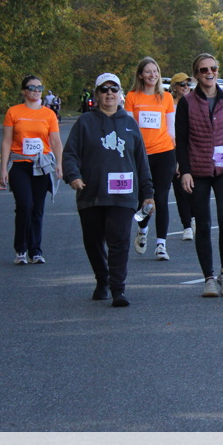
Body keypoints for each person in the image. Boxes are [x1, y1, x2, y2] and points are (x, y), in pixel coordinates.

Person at [63, 73, 153, 307]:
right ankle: (102, 278)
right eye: (104, 90)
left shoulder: (130, 123)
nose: (109, 93)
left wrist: (148, 194)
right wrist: (73, 176)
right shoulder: (85, 122)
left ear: (120, 94)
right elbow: (70, 153)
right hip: (91, 194)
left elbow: (141, 161)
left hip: (123, 194)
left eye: (114, 89)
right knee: (93, 242)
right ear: (97, 94)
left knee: (119, 240)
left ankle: (118, 289)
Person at [176, 53, 223, 298]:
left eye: (213, 68)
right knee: (204, 224)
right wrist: (185, 171)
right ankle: (208, 278)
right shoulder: (187, 102)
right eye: (204, 69)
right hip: (198, 170)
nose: (209, 73)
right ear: (196, 75)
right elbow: (181, 141)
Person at [0, 75, 62, 264]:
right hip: (20, 165)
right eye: (31, 87)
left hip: (42, 166)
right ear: (24, 91)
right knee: (25, 205)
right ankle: (21, 249)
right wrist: (3, 168)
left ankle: (35, 251)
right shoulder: (13, 112)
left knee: (37, 208)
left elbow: (56, 141)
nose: (36, 91)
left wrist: (59, 164)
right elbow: (6, 141)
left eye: (39, 88)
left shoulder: (49, 114)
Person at [124, 57, 176, 261]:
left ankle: (161, 244)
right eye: (148, 71)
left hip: (164, 153)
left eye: (155, 71)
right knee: (144, 198)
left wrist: (177, 157)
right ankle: (143, 229)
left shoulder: (166, 97)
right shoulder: (132, 97)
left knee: (161, 199)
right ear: (140, 75)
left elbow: (171, 129)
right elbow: (128, 129)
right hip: (141, 155)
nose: (152, 75)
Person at [169, 72, 195, 241]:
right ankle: (187, 226)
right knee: (180, 189)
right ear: (174, 87)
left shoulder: (194, 103)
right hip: (172, 150)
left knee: (194, 188)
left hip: (193, 150)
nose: (185, 87)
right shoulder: (169, 105)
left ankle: (194, 218)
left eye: (187, 84)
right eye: (181, 84)